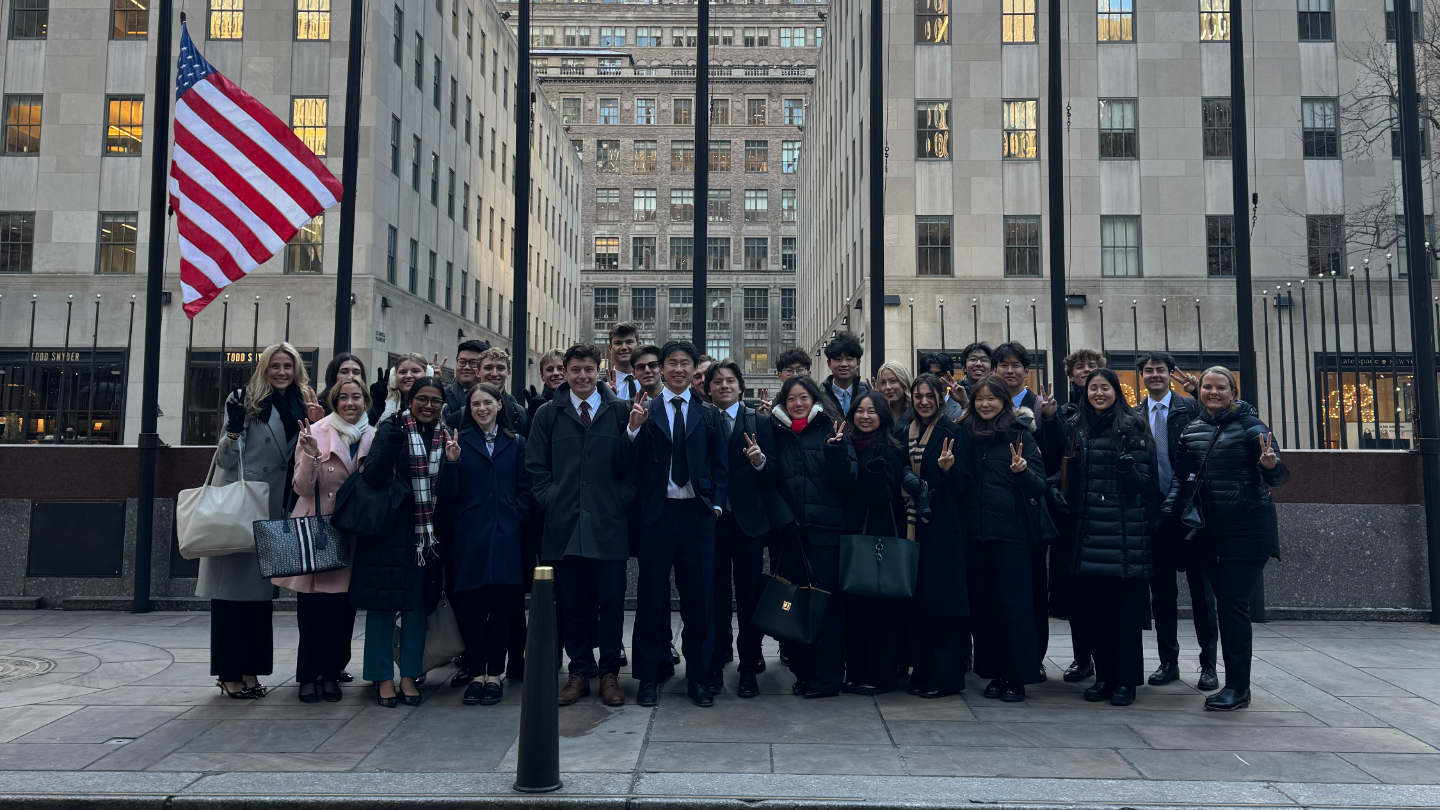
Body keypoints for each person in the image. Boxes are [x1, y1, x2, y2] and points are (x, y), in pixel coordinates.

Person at [1163, 366, 1288, 712]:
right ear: (1199, 391)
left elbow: (1280, 477)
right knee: (1223, 604)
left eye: (1221, 387)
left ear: (1233, 391)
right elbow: (1182, 478)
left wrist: (1269, 465)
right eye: (1207, 387)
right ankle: (1234, 684)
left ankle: (1237, 687)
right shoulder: (1192, 429)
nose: (1213, 393)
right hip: (1208, 532)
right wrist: (1168, 516)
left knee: (1233, 605)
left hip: (1248, 532)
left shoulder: (1253, 427)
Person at [208, 342, 321, 699]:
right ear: (264, 368)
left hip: (280, 509)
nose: (282, 372)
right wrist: (234, 429)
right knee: (230, 596)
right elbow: (224, 460)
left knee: (258, 600)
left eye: (288, 365)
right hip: (243, 508)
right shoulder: (244, 398)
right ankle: (229, 673)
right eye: (275, 365)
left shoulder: (304, 402)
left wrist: (318, 424)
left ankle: (251, 672)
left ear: (297, 368)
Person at [527, 344, 636, 708]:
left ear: (599, 371)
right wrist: (553, 499)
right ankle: (579, 670)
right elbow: (536, 468)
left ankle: (608, 673)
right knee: (571, 602)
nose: (581, 376)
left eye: (588, 369)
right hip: (565, 525)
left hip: (608, 524)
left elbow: (632, 466)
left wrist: (619, 499)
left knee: (610, 601)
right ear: (566, 372)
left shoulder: (618, 411)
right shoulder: (547, 414)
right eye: (574, 370)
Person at [628, 341, 728, 708]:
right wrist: (634, 430)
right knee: (651, 600)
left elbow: (721, 466)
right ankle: (649, 677)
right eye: (672, 363)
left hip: (698, 516)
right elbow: (629, 467)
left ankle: (699, 677)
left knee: (699, 601)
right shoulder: (645, 410)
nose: (679, 370)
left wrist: (716, 506)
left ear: (692, 369)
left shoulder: (709, 413)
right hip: (658, 517)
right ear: (661, 369)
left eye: (686, 364)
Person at [351, 376, 450, 708]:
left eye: (435, 401)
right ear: (410, 400)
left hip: (426, 539)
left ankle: (409, 675)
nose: (428, 406)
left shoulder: (446, 434)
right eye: (422, 399)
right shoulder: (390, 428)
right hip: (389, 534)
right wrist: (393, 443)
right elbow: (373, 477)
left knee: (417, 609)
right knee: (382, 607)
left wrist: (454, 462)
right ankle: (381, 677)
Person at [1064, 368, 1158, 706]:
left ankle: (1126, 681)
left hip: (1124, 537)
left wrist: (1129, 472)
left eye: (1105, 388)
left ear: (1117, 392)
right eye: (1093, 388)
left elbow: (1148, 488)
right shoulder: (1077, 427)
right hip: (1089, 537)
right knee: (1097, 616)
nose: (1098, 394)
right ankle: (1104, 677)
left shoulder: (1133, 427)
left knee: (1126, 617)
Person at [277, 377, 374, 703]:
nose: (350, 403)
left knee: (342, 614)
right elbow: (302, 489)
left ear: (365, 402)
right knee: (313, 612)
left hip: (351, 535)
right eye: (343, 397)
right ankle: (308, 675)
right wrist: (311, 456)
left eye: (356, 397)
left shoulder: (373, 437)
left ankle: (331, 674)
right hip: (318, 533)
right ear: (334, 401)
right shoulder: (316, 432)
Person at [439, 383, 534, 706]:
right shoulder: (458, 442)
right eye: (475, 404)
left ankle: (495, 673)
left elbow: (526, 486)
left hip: (507, 536)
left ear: (499, 405)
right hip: (471, 537)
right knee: (472, 609)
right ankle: (476, 672)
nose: (481, 409)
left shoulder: (516, 442)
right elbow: (447, 496)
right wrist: (451, 464)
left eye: (487, 403)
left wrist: (515, 514)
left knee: (504, 608)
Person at [960, 376, 1051, 702]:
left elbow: (1040, 487)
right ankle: (995, 673)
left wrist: (1023, 471)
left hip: (1012, 537)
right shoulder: (965, 435)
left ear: (1004, 401)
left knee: (1015, 608)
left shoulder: (1020, 433)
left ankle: (1017, 676)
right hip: (976, 536)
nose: (985, 404)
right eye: (980, 399)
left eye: (992, 398)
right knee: (985, 609)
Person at [765, 375, 857, 698]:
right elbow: (769, 480)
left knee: (827, 610)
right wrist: (783, 518)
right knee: (792, 606)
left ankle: (827, 678)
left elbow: (848, 480)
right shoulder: (775, 430)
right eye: (791, 399)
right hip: (789, 533)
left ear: (815, 399)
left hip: (825, 533)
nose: (798, 404)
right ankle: (802, 672)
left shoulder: (832, 428)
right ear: (783, 403)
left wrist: (837, 453)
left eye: (804, 397)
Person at [705, 358, 790, 698]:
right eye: (717, 381)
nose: (724, 385)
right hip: (712, 523)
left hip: (750, 525)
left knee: (750, 598)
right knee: (714, 599)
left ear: (740, 386)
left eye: (730, 380)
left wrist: (760, 461)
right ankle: (712, 665)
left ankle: (748, 666)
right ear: (707, 388)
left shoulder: (760, 421)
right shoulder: (703, 419)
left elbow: (775, 473)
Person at [1136, 351, 1216, 692]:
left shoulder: (1191, 407)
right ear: (1140, 375)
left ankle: (1208, 665)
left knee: (1202, 595)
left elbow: (1219, 424)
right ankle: (1168, 661)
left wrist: (1200, 394)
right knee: (1163, 595)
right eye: (1148, 370)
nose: (1155, 375)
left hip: (1192, 514)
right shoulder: (1135, 415)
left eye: (1160, 370)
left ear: (1171, 373)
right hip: (1157, 518)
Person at [841, 390, 928, 695]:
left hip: (880, 533)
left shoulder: (892, 447)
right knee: (853, 607)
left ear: (883, 415)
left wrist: (875, 473)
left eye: (872, 412)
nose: (865, 417)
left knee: (878, 609)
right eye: (860, 411)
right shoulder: (844, 443)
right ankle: (855, 671)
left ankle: (880, 675)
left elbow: (885, 494)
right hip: (850, 532)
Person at [991, 342, 1064, 676]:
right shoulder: (986, 403)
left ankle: (1034, 657)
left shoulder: (1039, 405)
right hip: (996, 516)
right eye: (1003, 365)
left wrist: (1049, 420)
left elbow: (1054, 458)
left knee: (1034, 590)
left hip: (1031, 511)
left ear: (1026, 370)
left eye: (1016, 365)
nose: (1010, 370)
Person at [899, 376, 970, 697]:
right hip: (912, 531)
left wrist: (947, 470)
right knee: (917, 607)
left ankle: (946, 678)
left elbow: (966, 485)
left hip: (943, 532)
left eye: (930, 396)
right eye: (918, 396)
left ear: (941, 398)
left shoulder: (953, 432)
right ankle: (922, 673)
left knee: (943, 607)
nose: (924, 401)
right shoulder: (904, 432)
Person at [1052, 348, 1106, 684]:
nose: (1086, 371)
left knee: (1100, 593)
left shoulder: (1114, 412)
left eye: (1092, 367)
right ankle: (1081, 657)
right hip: (1071, 514)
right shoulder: (1065, 413)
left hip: (1102, 513)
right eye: (1079, 367)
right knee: (1074, 591)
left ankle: (1103, 658)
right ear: (1071, 376)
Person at [470, 347, 530, 438]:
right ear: (477, 372)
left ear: (508, 373)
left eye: (500, 368)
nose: (494, 374)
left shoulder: (520, 415)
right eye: (488, 368)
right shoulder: (463, 411)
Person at [369, 353, 430, 426]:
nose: (408, 376)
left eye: (415, 371)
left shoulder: (439, 405)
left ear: (427, 374)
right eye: (403, 372)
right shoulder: (382, 402)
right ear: (394, 377)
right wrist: (376, 408)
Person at [444, 340, 490, 425]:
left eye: (473, 363)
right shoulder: (441, 396)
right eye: (462, 362)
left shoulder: (498, 398)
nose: (466, 367)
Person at [821, 333, 868, 415]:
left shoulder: (868, 392)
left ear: (858, 363)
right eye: (838, 359)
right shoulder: (820, 396)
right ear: (829, 363)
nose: (843, 364)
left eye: (849, 359)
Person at [918, 352, 965, 421]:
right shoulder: (915, 404)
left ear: (949, 377)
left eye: (939, 375)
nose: (934, 379)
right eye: (929, 374)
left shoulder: (961, 407)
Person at [528, 350, 567, 419]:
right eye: (550, 369)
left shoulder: (581, 402)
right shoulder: (536, 405)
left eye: (560, 369)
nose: (556, 373)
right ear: (542, 376)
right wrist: (532, 416)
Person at [608, 323, 641, 400]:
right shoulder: (601, 387)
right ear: (610, 348)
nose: (624, 347)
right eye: (618, 343)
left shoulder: (653, 381)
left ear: (638, 346)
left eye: (629, 342)